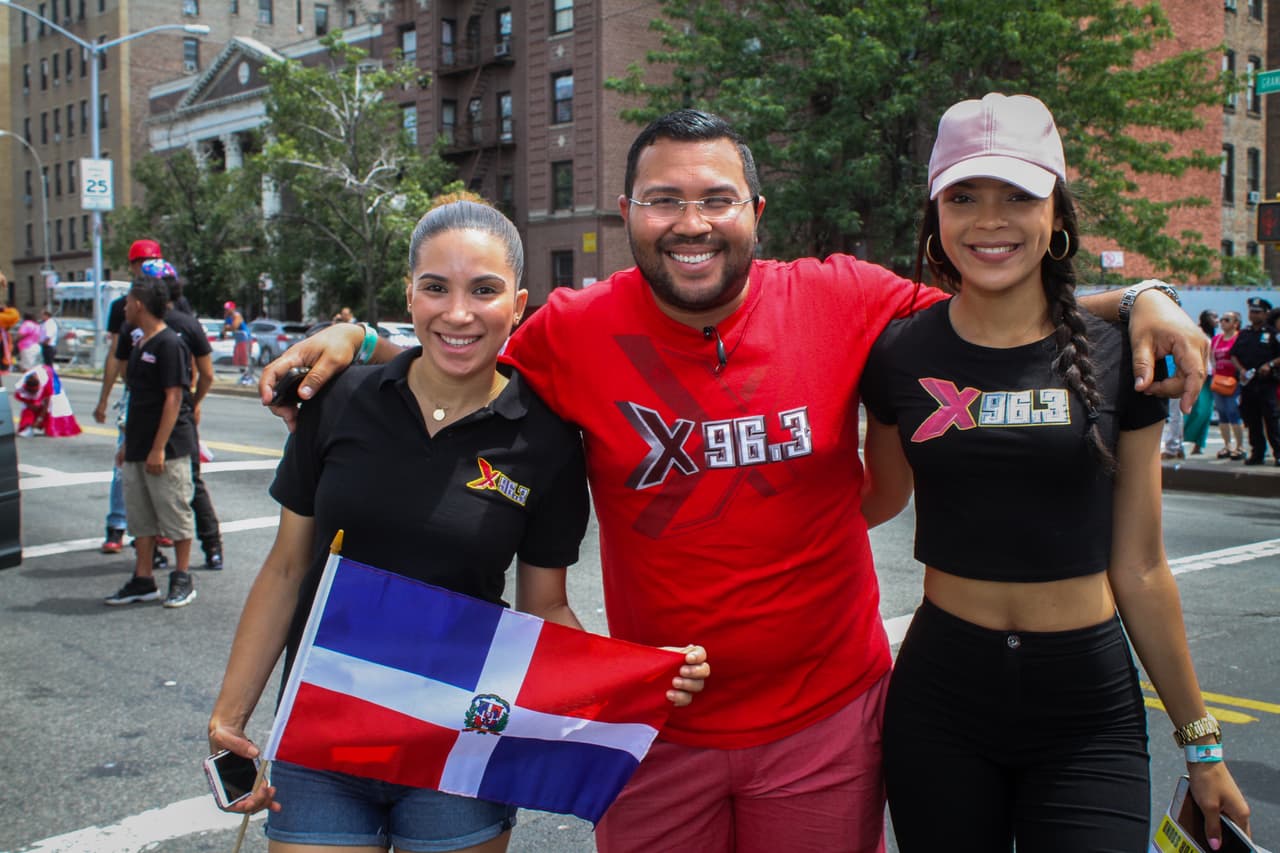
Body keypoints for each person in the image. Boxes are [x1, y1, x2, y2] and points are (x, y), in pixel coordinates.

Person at [259, 110, 1210, 852]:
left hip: (826, 722)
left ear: (756, 212)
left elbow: (1002, 296)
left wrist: (1141, 296)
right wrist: (354, 335)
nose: (690, 222)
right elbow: (464, 339)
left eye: (715, 198)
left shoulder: (843, 297)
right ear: (627, 214)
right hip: (655, 727)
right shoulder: (575, 328)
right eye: (662, 200)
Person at [208, 197, 709, 851]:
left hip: (464, 737)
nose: (459, 312)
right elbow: (286, 568)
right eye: (436, 288)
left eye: (484, 289)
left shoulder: (546, 440)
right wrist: (229, 715)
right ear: (409, 295)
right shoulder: (340, 402)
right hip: (326, 731)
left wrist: (636, 676)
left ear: (518, 302)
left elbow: (546, 607)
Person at [860, 92, 1249, 852]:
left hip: (1087, 705)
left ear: (1057, 213)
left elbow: (1140, 568)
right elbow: (873, 499)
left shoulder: (1120, 352)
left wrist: (1203, 746)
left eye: (1017, 195)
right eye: (964, 196)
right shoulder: (899, 354)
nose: (989, 219)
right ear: (935, 214)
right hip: (940, 696)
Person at [112, 260, 225, 571]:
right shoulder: (156, 329)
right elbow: (206, 375)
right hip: (162, 421)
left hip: (171, 425)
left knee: (179, 489)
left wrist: (187, 402)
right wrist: (195, 401)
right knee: (186, 486)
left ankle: (178, 565)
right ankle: (210, 547)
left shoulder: (168, 332)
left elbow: (126, 373)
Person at [103, 275, 199, 608]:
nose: (124, 307)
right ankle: (143, 579)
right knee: (140, 518)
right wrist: (128, 442)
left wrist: (158, 447)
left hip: (167, 449)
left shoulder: (169, 343)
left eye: (128, 302)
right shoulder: (140, 342)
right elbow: (137, 399)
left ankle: (182, 578)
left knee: (175, 513)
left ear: (140, 305)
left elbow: (174, 398)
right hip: (138, 445)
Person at [95, 237, 168, 554]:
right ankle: (117, 524)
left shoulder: (169, 303)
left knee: (168, 461)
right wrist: (104, 397)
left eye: (152, 262)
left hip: (168, 394)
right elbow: (116, 353)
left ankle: (163, 526)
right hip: (136, 394)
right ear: (133, 266)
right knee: (124, 459)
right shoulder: (122, 308)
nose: (147, 269)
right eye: (142, 263)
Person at [1231, 296, 1280, 465]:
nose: (1254, 314)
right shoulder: (1244, 333)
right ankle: (1257, 453)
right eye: (1252, 311)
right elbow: (1234, 354)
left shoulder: (1273, 334)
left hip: (1267, 383)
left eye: (1258, 312)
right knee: (1252, 420)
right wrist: (1241, 370)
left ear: (1266, 314)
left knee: (1271, 419)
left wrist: (1270, 364)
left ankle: (1278, 453)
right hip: (1249, 384)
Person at [1212, 311, 1246, 459]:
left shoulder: (1239, 338)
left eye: (1227, 320)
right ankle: (1227, 445)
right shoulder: (1216, 339)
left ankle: (1240, 447)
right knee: (1222, 414)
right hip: (1219, 381)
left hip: (1234, 382)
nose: (1223, 322)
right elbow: (1212, 359)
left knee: (1234, 413)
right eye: (1222, 319)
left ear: (1236, 323)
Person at [14, 363, 81, 437]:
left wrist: (39, 419)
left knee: (55, 405)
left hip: (49, 375)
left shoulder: (46, 384)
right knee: (27, 409)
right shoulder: (20, 386)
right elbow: (26, 402)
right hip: (36, 380)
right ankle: (27, 427)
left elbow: (47, 404)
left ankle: (57, 428)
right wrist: (32, 407)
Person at [1182, 309, 1217, 455]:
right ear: (1205, 318)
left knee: (1207, 412)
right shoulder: (1196, 332)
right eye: (1214, 316)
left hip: (1212, 377)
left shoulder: (1215, 336)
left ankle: (1199, 444)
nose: (1217, 320)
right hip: (1198, 375)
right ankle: (1181, 439)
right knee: (1196, 410)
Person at [222, 300, 253, 385]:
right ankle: (243, 374)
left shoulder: (237, 316)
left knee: (244, 358)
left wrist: (228, 327)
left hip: (244, 338)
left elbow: (234, 327)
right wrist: (226, 329)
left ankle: (247, 376)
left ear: (233, 308)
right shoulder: (227, 317)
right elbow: (224, 328)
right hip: (238, 339)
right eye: (225, 309)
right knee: (237, 358)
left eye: (228, 309)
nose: (226, 310)